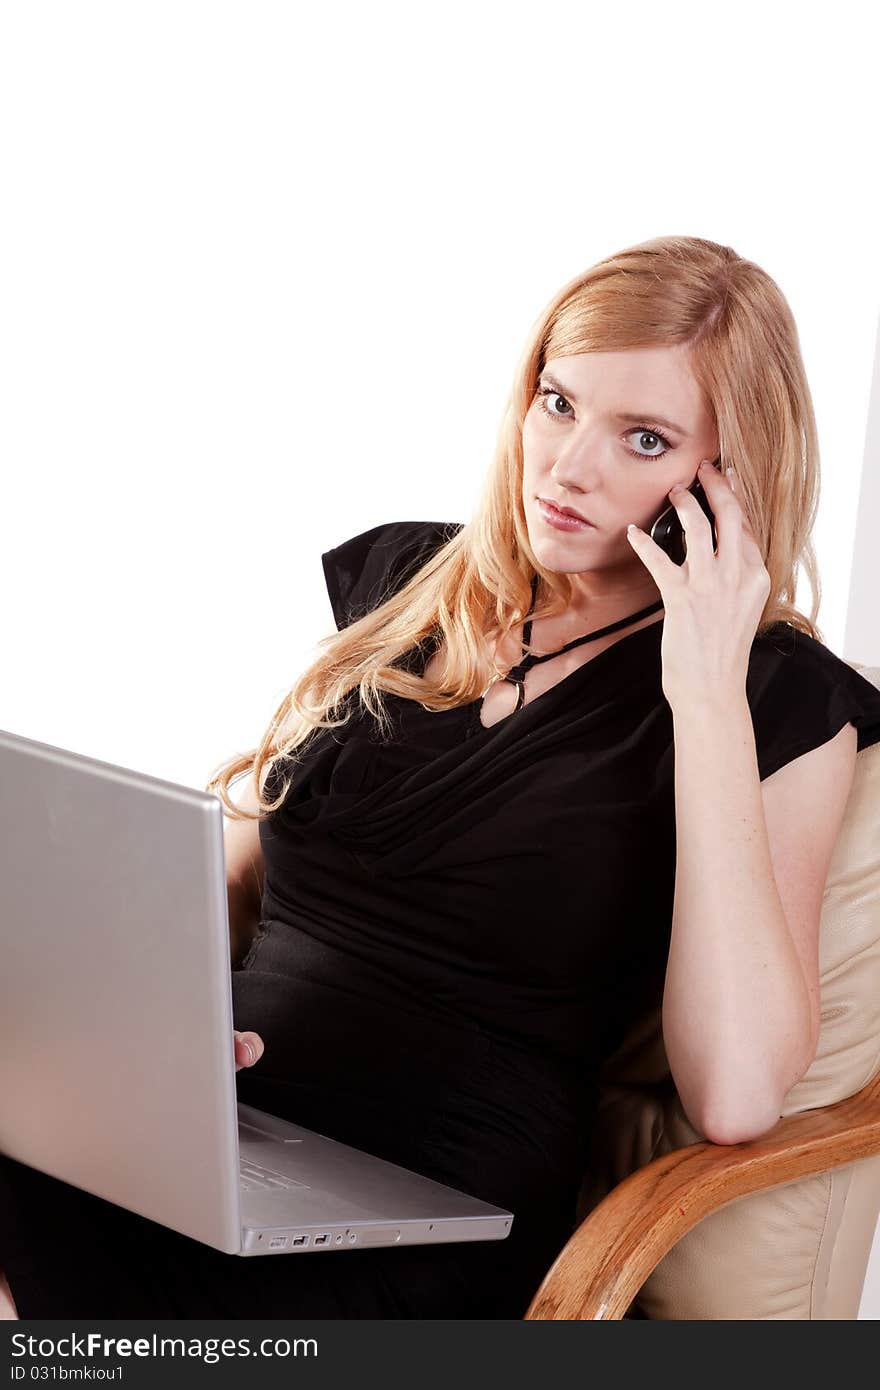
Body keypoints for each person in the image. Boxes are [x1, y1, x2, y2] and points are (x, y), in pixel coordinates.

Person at [3, 233, 880, 1319]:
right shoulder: (411, 581)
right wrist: (141, 1020)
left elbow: (736, 1090)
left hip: (434, 1202)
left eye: (641, 438)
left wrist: (701, 688)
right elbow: (223, 885)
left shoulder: (778, 699)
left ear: (727, 481)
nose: (566, 466)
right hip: (218, 1132)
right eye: (557, 403)